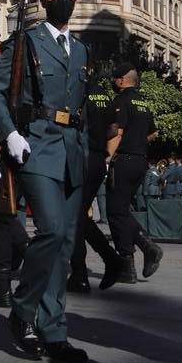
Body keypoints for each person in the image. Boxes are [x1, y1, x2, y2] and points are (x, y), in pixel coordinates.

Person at [0, 0, 89, 363]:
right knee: (50, 230)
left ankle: (54, 330)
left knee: (64, 245)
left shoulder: (81, 50)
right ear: (42, 1)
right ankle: (24, 307)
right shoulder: (24, 42)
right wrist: (9, 133)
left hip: (72, 149)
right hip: (37, 144)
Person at [67, 67, 127, 293]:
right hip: (96, 159)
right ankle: (104, 262)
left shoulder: (79, 95)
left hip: (79, 157)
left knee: (74, 216)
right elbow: (113, 130)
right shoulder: (106, 97)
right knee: (79, 215)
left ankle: (84, 272)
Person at [105, 65, 162, 284]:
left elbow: (117, 132)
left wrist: (107, 157)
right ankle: (136, 258)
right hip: (140, 160)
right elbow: (153, 133)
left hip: (124, 161)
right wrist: (137, 143)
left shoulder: (121, 101)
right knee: (122, 212)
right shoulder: (143, 102)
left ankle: (140, 254)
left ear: (121, 81)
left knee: (115, 213)